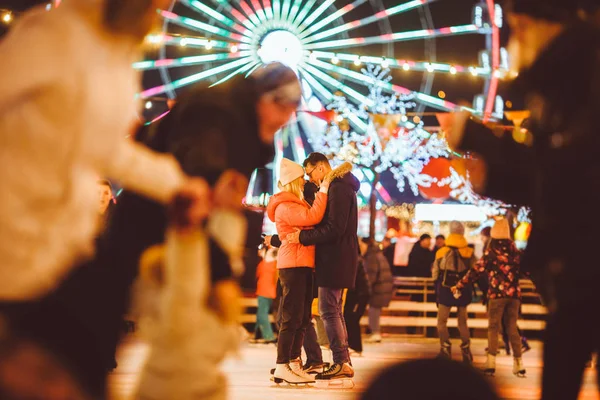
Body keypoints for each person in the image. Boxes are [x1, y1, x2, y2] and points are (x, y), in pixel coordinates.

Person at [6, 61, 301, 396]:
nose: (288, 118)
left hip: (185, 223)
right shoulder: (217, 111)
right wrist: (219, 258)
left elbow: (219, 190)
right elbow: (198, 171)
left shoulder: (246, 128)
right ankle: (58, 370)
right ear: (266, 99)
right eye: (286, 108)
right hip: (157, 215)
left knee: (136, 305)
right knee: (109, 297)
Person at [0, 0, 209, 299]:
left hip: (65, 243)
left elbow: (108, 149)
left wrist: (176, 184)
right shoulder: (52, 34)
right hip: (13, 227)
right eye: (155, 4)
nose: (161, 11)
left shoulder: (120, 54)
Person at [445, 1, 600, 397]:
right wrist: (494, 177)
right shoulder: (554, 84)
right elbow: (550, 179)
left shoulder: (582, 74)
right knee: (561, 370)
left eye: (513, 29)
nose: (512, 42)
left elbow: (571, 165)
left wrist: (480, 139)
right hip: (573, 268)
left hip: (585, 263)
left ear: (527, 23)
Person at [287, 154, 360, 382]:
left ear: (320, 168)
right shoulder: (342, 186)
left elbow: (335, 228)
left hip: (335, 257)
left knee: (329, 311)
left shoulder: (338, 188)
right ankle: (343, 360)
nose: (311, 179)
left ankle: (341, 361)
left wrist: (303, 236)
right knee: (334, 310)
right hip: (339, 256)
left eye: (310, 173)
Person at [266, 158, 331, 384]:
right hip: (292, 266)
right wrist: (323, 190)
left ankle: (293, 361)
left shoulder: (296, 202)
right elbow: (313, 217)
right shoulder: (286, 205)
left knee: (302, 317)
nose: (305, 182)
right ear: (293, 181)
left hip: (303, 264)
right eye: (301, 179)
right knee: (291, 317)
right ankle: (283, 363)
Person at [452, 219, 527, 377]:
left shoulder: (491, 253)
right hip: (514, 296)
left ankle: (491, 363)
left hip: (496, 295)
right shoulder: (516, 254)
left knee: (493, 327)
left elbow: (475, 271)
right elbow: (529, 272)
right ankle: (518, 363)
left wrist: (460, 284)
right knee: (512, 328)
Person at [431, 221, 476, 364]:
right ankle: (466, 350)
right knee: (462, 322)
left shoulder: (441, 252)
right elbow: (475, 272)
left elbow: (434, 274)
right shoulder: (469, 252)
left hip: (446, 290)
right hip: (463, 290)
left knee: (441, 322)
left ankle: (445, 348)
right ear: (463, 232)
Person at [363, 239, 394, 344]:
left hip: (378, 288)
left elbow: (371, 274)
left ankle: (375, 332)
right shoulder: (378, 254)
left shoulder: (371, 257)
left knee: (374, 311)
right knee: (375, 310)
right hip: (383, 287)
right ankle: (375, 332)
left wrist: (366, 287)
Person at [344, 239, 371, 355]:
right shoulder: (357, 259)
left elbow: (356, 281)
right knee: (350, 320)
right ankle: (353, 347)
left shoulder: (355, 260)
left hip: (358, 295)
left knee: (352, 320)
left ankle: (356, 347)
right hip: (358, 295)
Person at [254, 246, 278, 343]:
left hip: (263, 291)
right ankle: (258, 334)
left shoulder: (264, 264)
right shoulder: (276, 264)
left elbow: (257, 274)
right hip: (272, 292)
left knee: (262, 314)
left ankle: (269, 336)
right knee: (261, 313)